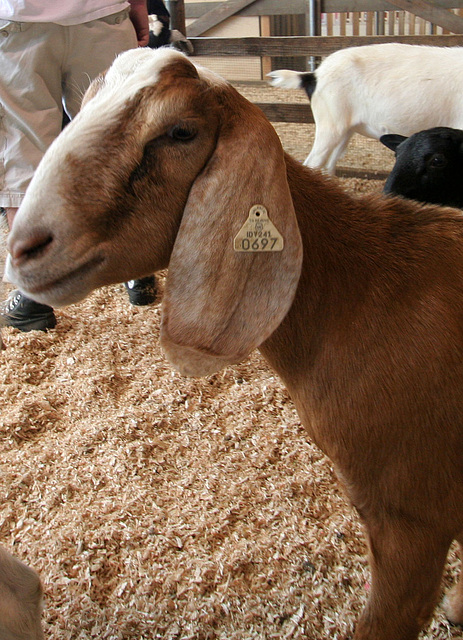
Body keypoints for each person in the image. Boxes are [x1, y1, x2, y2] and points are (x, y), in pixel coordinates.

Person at [0, 0, 158, 332]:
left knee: (25, 150)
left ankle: (34, 297)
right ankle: (138, 267)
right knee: (122, 142)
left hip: (18, 18)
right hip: (102, 14)